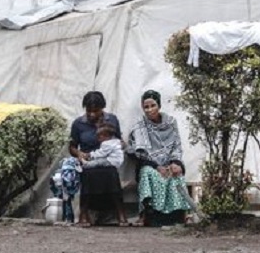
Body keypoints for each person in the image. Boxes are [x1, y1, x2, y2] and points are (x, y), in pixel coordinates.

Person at [127, 89, 191, 226]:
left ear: (159, 106)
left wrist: (175, 162)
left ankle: (182, 215)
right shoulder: (140, 125)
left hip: (169, 162)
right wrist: (157, 166)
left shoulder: (171, 122)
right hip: (149, 164)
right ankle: (145, 216)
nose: (149, 110)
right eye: (146, 107)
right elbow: (137, 152)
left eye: (153, 106)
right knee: (147, 173)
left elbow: (177, 146)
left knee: (177, 173)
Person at [67, 91, 125, 226]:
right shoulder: (78, 124)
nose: (92, 114)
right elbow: (72, 147)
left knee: (110, 172)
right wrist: (79, 154)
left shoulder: (112, 120)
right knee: (88, 173)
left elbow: (119, 139)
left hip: (107, 160)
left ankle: (120, 213)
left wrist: (120, 145)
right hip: (89, 159)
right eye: (89, 111)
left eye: (96, 111)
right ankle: (83, 214)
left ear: (102, 108)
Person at [77, 123, 129, 226]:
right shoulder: (115, 142)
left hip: (109, 162)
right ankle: (84, 213)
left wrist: (89, 155)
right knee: (93, 171)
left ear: (106, 136)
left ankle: (85, 165)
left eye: (99, 136)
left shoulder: (107, 143)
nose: (98, 138)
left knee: (97, 164)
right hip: (114, 162)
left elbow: (101, 153)